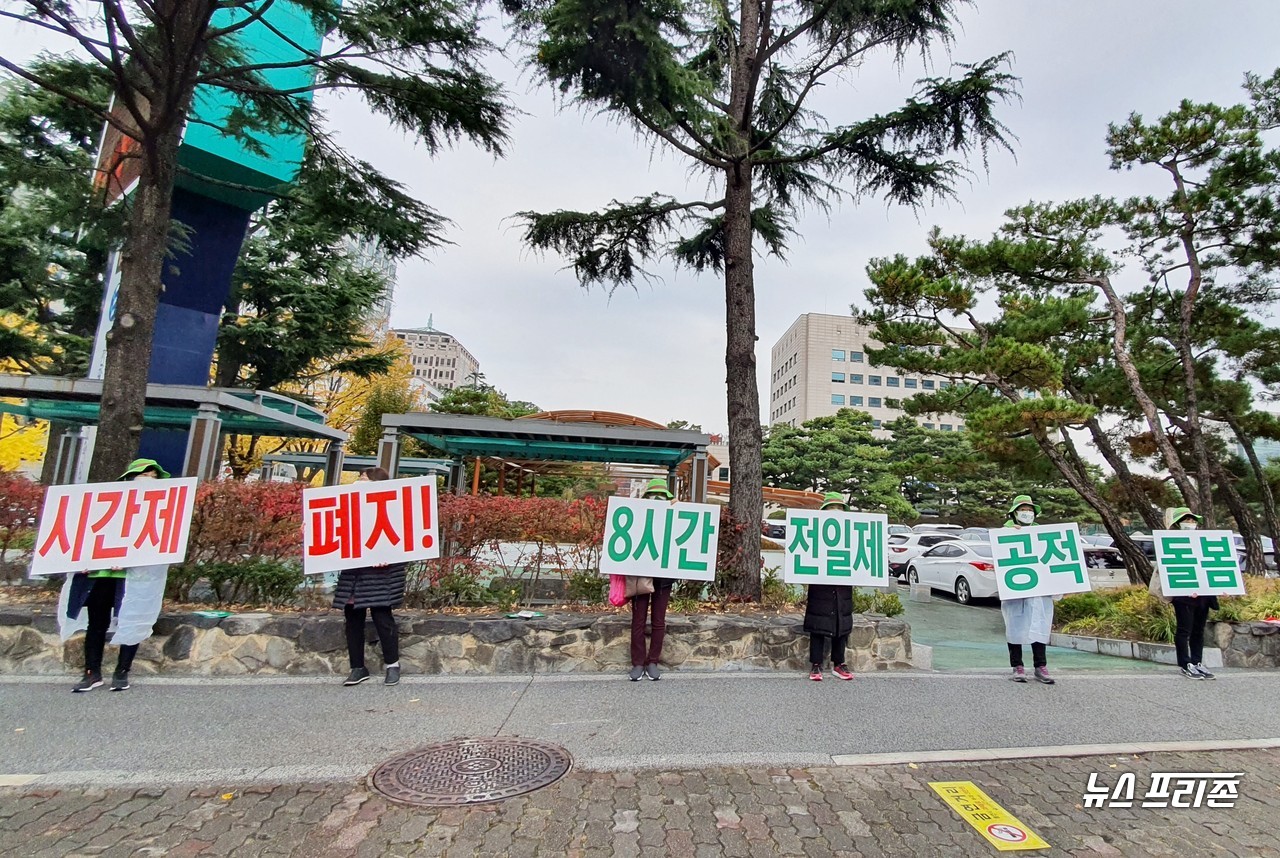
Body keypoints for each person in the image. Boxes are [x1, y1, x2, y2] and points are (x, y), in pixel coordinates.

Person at [65, 458, 172, 693]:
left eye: (153, 477)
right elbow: (86, 532)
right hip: (101, 573)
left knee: (131, 620)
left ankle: (122, 671)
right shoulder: (106, 504)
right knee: (97, 623)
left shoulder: (160, 512)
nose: (147, 481)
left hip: (134, 576)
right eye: (142, 476)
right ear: (128, 479)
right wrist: (82, 561)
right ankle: (91, 673)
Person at [334, 467, 407, 686]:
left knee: (382, 618)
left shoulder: (393, 510)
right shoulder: (347, 510)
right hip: (354, 575)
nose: (359, 482)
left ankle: (392, 665)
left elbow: (407, 544)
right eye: (359, 478)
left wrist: (389, 557)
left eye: (364, 479)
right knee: (352, 620)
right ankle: (357, 667)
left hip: (380, 575)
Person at [1151, 506, 1217, 680]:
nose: (1191, 523)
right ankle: (1185, 663)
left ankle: (1197, 662)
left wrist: (1220, 586)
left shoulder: (1202, 541)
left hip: (1203, 595)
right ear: (1178, 523)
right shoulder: (1170, 543)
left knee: (1199, 630)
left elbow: (1211, 565)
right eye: (1187, 520)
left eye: (1193, 520)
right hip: (1183, 596)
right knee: (1184, 630)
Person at [1002, 495, 1056, 685]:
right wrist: (1010, 534)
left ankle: (1040, 666)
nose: (1027, 513)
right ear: (1015, 513)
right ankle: (1017, 666)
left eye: (1030, 510)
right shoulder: (1005, 532)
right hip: (1016, 590)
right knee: (1015, 626)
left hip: (1039, 590)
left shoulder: (1041, 533)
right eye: (1023, 510)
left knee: (1038, 625)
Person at [802, 492, 856, 681]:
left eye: (839, 508)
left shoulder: (852, 532)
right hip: (820, 584)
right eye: (832, 508)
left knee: (842, 625)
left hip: (843, 585)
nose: (836, 512)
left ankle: (839, 663)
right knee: (818, 625)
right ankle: (816, 665)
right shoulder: (813, 530)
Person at [630, 478, 676, 681]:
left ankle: (653, 662)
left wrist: (675, 507)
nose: (656, 499)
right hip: (641, 574)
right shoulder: (638, 515)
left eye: (661, 496)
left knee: (659, 621)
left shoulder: (675, 516)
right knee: (638, 620)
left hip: (664, 577)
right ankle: (638, 663)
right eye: (652, 495)